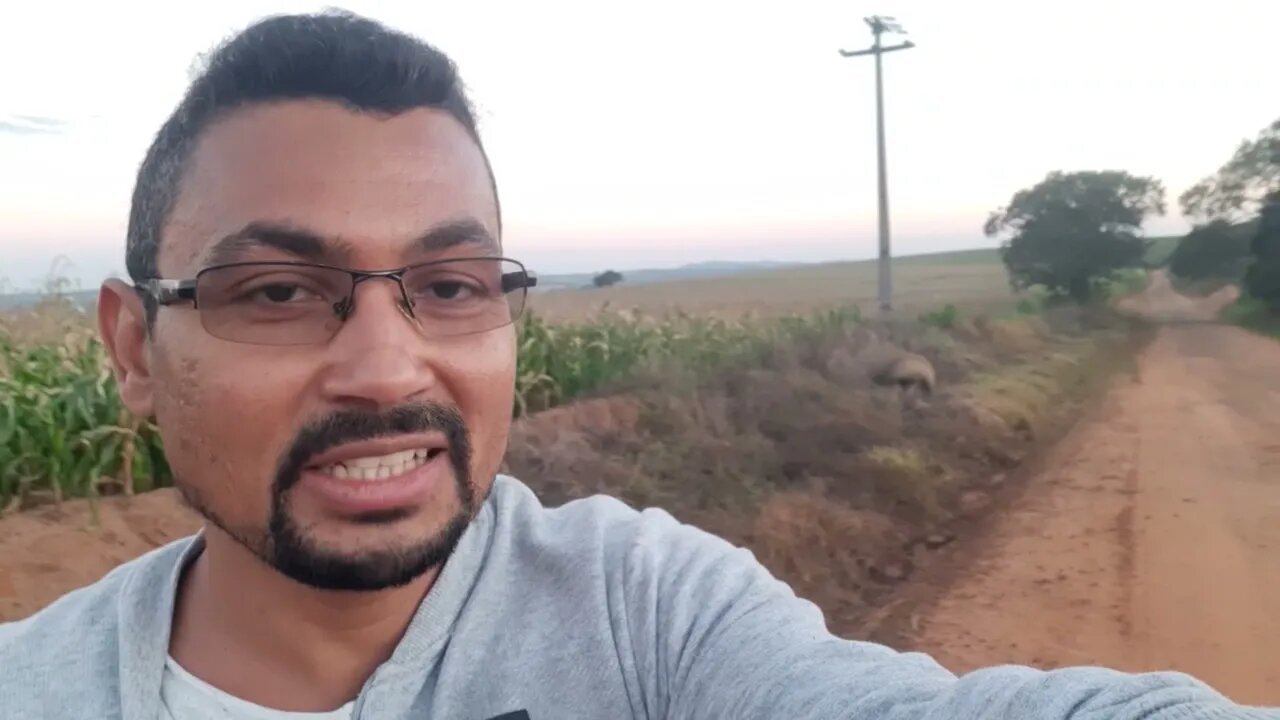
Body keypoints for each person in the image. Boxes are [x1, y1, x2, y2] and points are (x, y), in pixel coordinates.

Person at [0, 11, 1272, 720]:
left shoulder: (643, 618)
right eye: (278, 293)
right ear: (133, 349)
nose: (387, 371)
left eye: (448, 287)